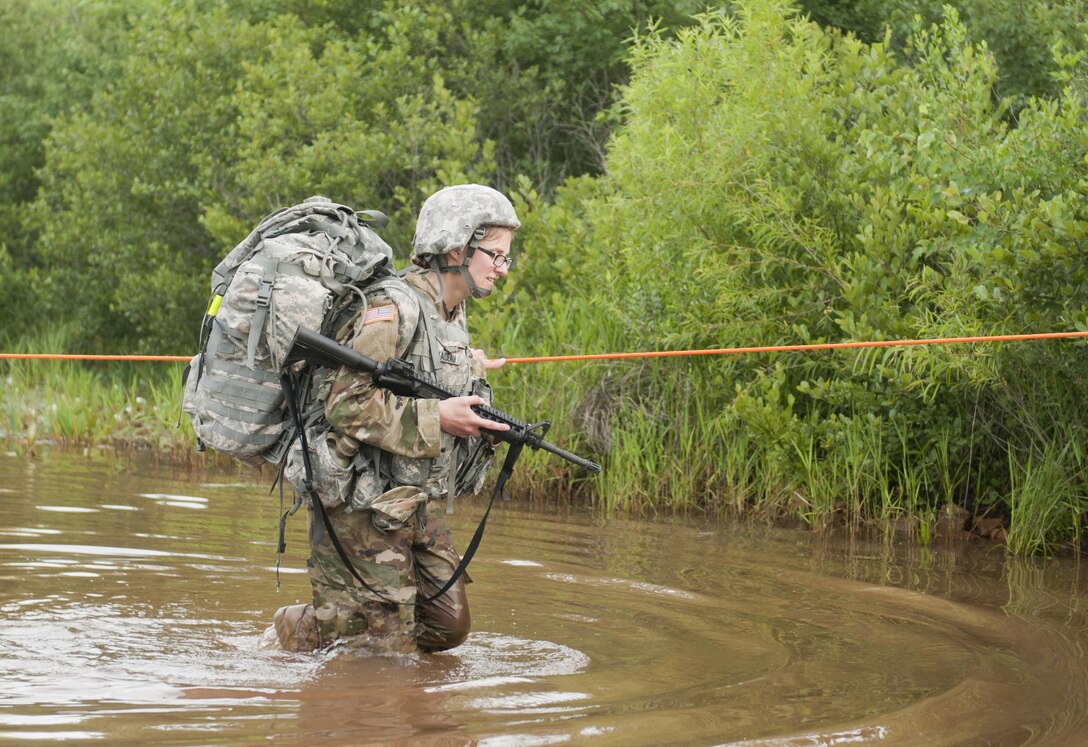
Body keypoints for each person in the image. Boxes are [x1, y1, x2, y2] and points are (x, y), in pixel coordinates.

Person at [271, 184, 520, 655]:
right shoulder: (393, 308)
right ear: (456, 247)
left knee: (448, 624)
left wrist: (467, 368)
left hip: (410, 498)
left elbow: (414, 376)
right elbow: (344, 405)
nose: (502, 269)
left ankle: (333, 623)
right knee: (380, 653)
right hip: (358, 499)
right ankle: (324, 627)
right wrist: (438, 418)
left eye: (506, 258)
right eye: (495, 255)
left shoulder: (451, 311)